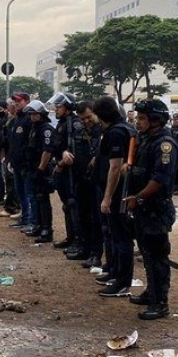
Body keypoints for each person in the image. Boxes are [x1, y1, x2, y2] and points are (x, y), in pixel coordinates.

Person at [122, 99, 178, 320]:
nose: (139, 121)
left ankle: (160, 302)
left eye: (143, 118)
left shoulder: (164, 144)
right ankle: (151, 292)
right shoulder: (145, 140)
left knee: (157, 257)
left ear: (156, 121)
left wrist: (137, 197)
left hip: (156, 208)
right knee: (147, 254)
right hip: (143, 208)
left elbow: (160, 180)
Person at [96, 96, 135, 283]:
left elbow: (115, 168)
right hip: (123, 190)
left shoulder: (116, 132)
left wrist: (107, 197)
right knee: (115, 236)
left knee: (121, 238)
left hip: (119, 192)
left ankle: (122, 281)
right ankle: (114, 272)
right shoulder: (126, 128)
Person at [64, 101, 102, 264]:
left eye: (88, 117)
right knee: (82, 216)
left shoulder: (103, 131)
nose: (86, 121)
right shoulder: (78, 130)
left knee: (96, 219)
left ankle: (96, 253)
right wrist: (65, 152)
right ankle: (85, 249)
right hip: (79, 179)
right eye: (82, 119)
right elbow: (68, 147)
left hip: (96, 181)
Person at [50, 92, 82, 250]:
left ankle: (77, 240)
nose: (56, 108)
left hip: (71, 171)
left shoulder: (74, 123)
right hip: (61, 168)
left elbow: (73, 151)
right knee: (66, 205)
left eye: (59, 105)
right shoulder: (62, 122)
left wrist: (62, 161)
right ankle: (71, 237)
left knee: (72, 204)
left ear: (68, 107)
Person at [24, 100, 56, 243]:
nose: (32, 117)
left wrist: (41, 169)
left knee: (43, 199)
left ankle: (47, 229)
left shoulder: (46, 129)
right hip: (33, 168)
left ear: (41, 114)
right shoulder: (34, 128)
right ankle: (38, 226)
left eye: (35, 114)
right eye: (31, 114)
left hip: (41, 169)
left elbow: (47, 151)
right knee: (37, 198)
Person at [7, 92, 34, 229]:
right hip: (16, 162)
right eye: (15, 102)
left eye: (19, 101)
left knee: (28, 193)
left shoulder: (29, 119)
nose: (16, 104)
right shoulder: (17, 119)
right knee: (20, 191)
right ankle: (25, 218)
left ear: (27, 101)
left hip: (25, 163)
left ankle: (30, 221)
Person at [0, 99, 21, 218]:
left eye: (15, 104)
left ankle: (13, 207)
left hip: (14, 156)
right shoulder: (10, 120)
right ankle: (11, 206)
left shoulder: (18, 120)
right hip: (8, 154)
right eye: (12, 104)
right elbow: (5, 139)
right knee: (9, 181)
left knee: (12, 183)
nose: (12, 106)